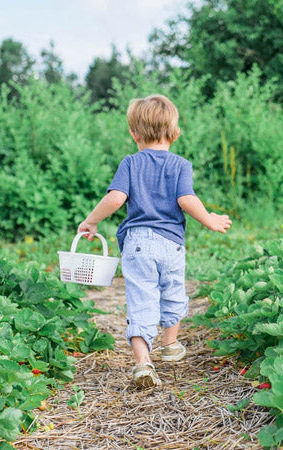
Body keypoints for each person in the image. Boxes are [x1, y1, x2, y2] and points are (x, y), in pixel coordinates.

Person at [77, 94, 232, 387]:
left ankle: (143, 363)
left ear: (133, 134)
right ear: (174, 133)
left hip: (137, 244)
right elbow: (186, 199)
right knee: (173, 291)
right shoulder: (180, 165)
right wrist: (210, 219)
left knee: (141, 300)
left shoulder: (130, 163)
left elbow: (116, 198)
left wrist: (92, 220)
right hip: (171, 244)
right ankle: (170, 344)